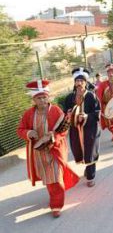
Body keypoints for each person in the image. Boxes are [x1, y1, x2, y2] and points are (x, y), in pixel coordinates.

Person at [17, 80, 79, 218]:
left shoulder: (56, 110)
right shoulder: (28, 114)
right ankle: (54, 197)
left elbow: (64, 129)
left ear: (48, 97)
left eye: (44, 97)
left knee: (56, 178)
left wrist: (53, 137)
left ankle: (56, 205)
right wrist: (28, 133)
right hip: (38, 154)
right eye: (39, 98)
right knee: (49, 179)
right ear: (34, 99)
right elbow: (20, 130)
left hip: (55, 150)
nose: (42, 100)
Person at [64, 68, 101, 187]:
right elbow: (65, 112)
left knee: (90, 152)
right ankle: (88, 168)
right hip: (76, 130)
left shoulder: (91, 96)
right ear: (74, 83)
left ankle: (91, 176)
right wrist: (69, 114)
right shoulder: (69, 98)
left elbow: (98, 113)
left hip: (90, 130)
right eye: (77, 81)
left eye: (82, 81)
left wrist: (86, 116)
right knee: (80, 151)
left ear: (86, 82)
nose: (79, 83)